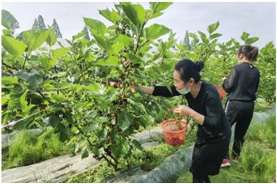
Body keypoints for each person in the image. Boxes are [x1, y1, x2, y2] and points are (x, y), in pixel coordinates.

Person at [138, 59, 231, 183]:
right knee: (200, 170)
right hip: (204, 133)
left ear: (190, 81)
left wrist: (189, 112)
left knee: (197, 170)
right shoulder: (186, 88)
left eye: (177, 81)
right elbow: (163, 91)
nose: (175, 84)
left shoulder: (209, 92)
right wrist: (138, 88)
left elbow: (215, 123)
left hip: (218, 137)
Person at [221, 45, 260, 167]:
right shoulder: (256, 71)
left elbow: (228, 87)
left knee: (224, 129)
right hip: (249, 106)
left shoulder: (236, 69)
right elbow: (254, 88)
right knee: (240, 132)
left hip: (235, 104)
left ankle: (224, 159)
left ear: (241, 55)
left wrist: (225, 81)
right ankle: (235, 157)